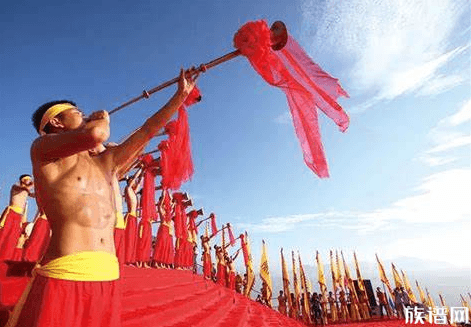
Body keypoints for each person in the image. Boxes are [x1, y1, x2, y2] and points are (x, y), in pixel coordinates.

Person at [7, 68, 196, 327]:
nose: (84, 116)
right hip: (67, 271)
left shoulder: (105, 163)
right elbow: (96, 135)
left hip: (108, 272)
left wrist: (179, 97)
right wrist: (101, 121)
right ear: (56, 123)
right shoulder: (43, 149)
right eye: (77, 113)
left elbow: (146, 131)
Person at [0, 175, 34, 260]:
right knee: (5, 233)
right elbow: (23, 188)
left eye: (29, 180)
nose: (28, 181)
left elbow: (34, 195)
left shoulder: (27, 191)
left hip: (18, 216)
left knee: (13, 237)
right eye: (26, 179)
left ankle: (8, 256)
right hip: (11, 213)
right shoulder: (16, 186)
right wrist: (32, 184)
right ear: (22, 180)